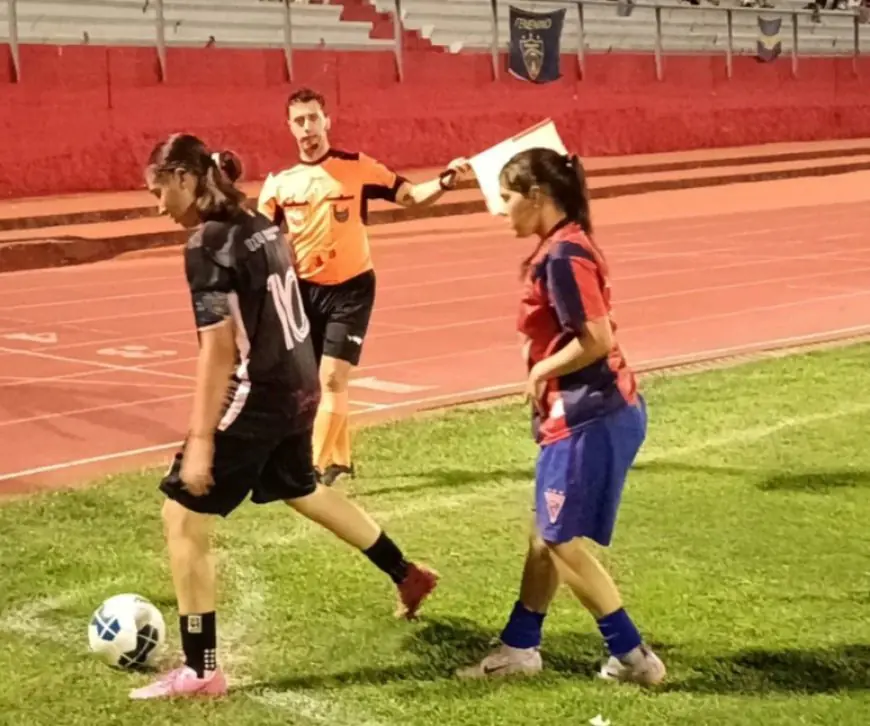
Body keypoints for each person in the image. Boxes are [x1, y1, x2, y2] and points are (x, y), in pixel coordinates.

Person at [130, 133, 438, 701]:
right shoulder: (256, 222)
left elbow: (218, 350)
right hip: (299, 381)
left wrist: (201, 440)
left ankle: (201, 671)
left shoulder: (208, 243)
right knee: (302, 489)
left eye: (158, 192)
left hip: (263, 388)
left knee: (181, 515)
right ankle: (405, 572)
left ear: (183, 178)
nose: (158, 206)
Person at [456, 148, 665, 686]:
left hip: (588, 416)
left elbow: (598, 338)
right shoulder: (562, 245)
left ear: (536, 196)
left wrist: (540, 370)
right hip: (582, 412)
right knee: (542, 532)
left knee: (556, 539)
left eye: (506, 197)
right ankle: (521, 645)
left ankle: (633, 656)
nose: (499, 210)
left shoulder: (563, 255)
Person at [257, 87, 470, 486]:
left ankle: (313, 471)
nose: (308, 128)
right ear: (289, 128)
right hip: (304, 293)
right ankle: (338, 457)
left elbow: (412, 197)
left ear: (327, 121)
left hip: (351, 288)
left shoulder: (358, 168)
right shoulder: (279, 185)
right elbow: (261, 242)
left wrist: (445, 180)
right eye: (300, 121)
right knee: (309, 384)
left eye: (314, 118)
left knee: (333, 379)